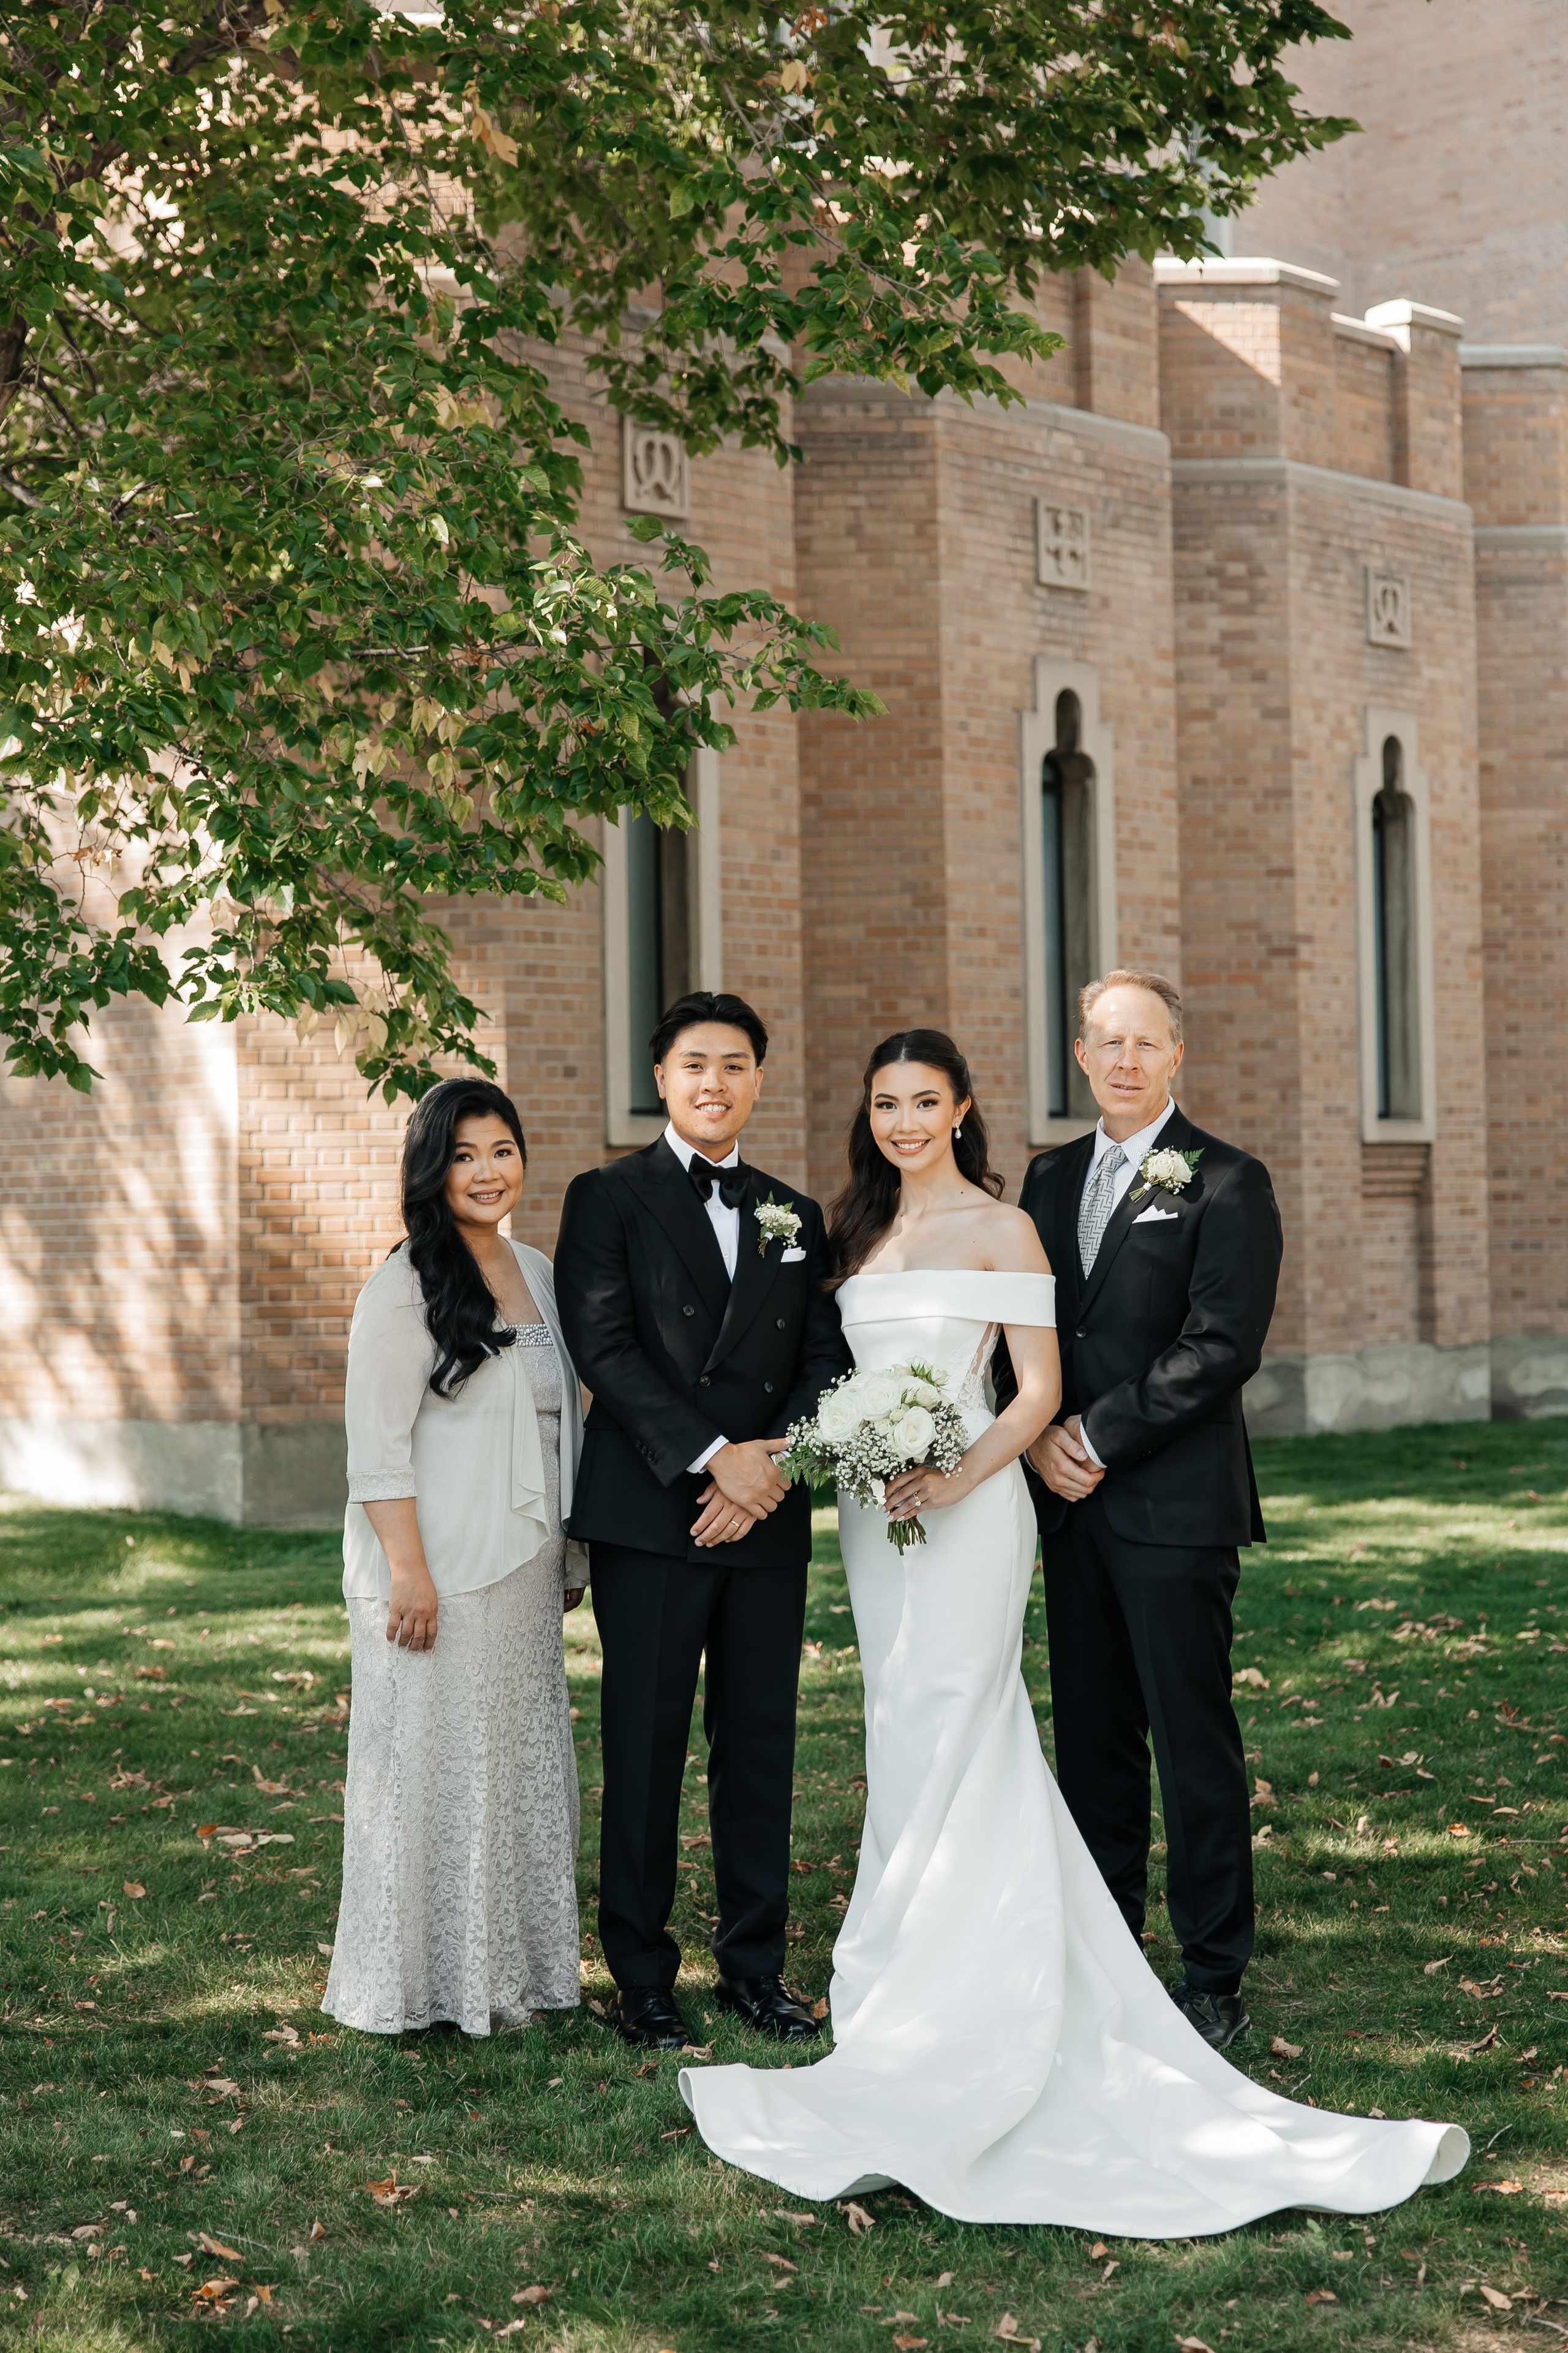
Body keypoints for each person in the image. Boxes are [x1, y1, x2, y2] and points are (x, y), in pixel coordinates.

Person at [680, 1029, 1467, 2231]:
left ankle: (992, 1985)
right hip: (869, 1515)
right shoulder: (845, 1232)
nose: (901, 1120)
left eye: (922, 1100)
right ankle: (901, 1973)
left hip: (968, 1504)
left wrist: (951, 1475)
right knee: (898, 1728)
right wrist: (821, 1448)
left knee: (962, 1720)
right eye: (883, 1100)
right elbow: (820, 1369)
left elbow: (1035, 1391)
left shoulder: (1005, 1224)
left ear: (960, 1109)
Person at [554, 991, 853, 2052]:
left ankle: (755, 1967)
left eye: (733, 1064)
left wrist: (765, 1469)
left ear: (759, 1080)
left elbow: (827, 1364)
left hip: (764, 1516)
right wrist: (713, 1459)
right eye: (694, 1064)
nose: (714, 1082)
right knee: (646, 1747)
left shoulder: (794, 1212)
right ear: (661, 1079)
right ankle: (641, 1977)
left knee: (759, 1747)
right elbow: (607, 1349)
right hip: (653, 1512)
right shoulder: (607, 1197)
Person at [1009, 968, 1279, 2053]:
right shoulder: (1046, 1176)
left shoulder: (1227, 1180)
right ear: (1081, 1054)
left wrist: (1096, 1436)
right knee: (1094, 1740)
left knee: (1191, 1736)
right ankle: (1109, 1948)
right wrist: (1034, 1439)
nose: (1123, 1059)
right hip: (1068, 1509)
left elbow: (1221, 1346)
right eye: (1105, 1041)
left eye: (1145, 1042)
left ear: (1177, 1055)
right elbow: (1022, 1325)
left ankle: (1214, 1970)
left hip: (1171, 1507)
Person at [323, 1078, 586, 2038]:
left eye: (502, 1150)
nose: (487, 1172)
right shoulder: (402, 1285)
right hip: (434, 1565)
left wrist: (570, 1554)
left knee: (512, 1765)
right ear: (433, 1169)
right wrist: (409, 1572)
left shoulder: (540, 1270)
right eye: (465, 1155)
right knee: (435, 1767)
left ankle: (517, 1975)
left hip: (523, 1563)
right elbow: (377, 1445)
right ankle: (420, 1986)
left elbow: (564, 1422)